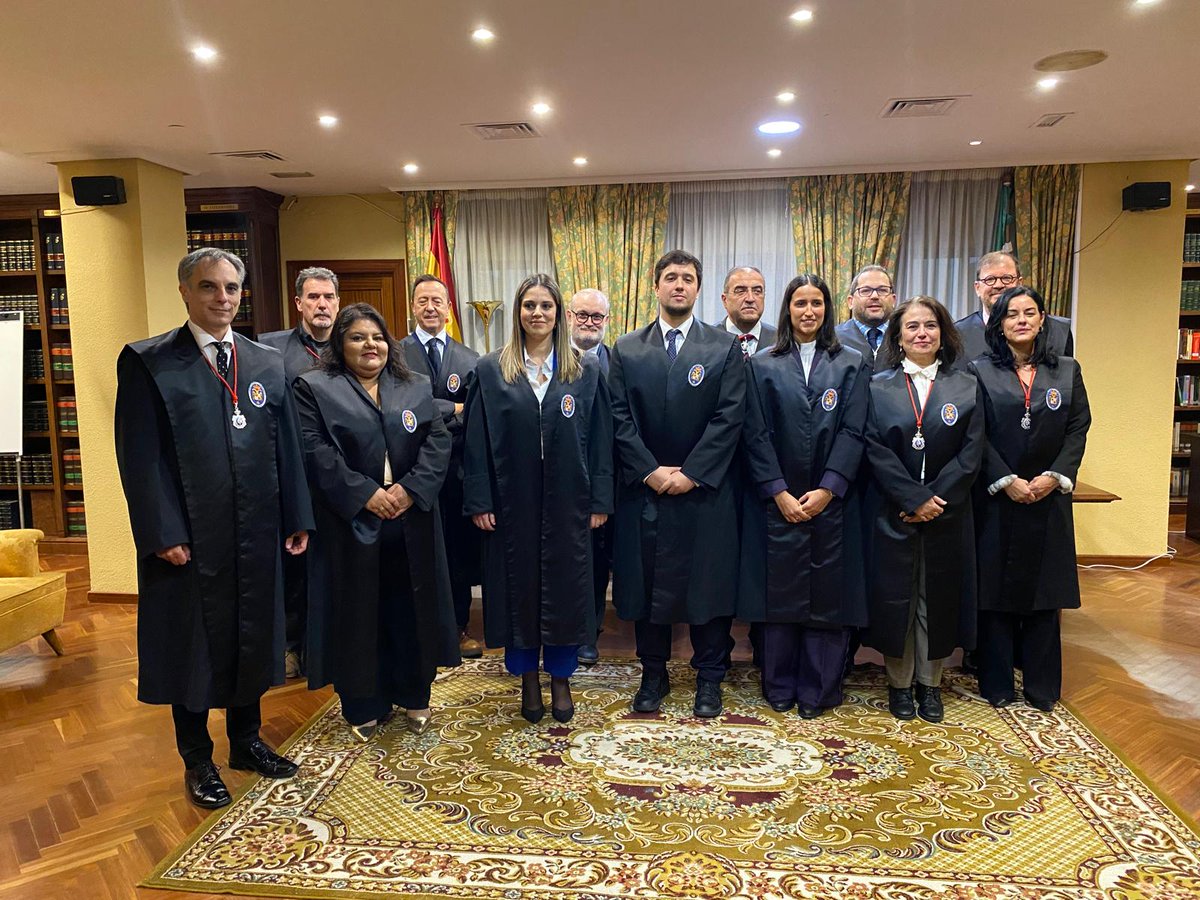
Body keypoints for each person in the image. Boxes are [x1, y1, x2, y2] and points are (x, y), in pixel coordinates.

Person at [114, 247, 314, 809]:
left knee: (252, 635)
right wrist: (161, 533)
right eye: (208, 288)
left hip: (256, 529)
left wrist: (297, 515)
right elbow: (140, 457)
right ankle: (197, 757)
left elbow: (287, 447)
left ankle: (246, 741)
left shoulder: (263, 361)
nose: (221, 299)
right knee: (193, 648)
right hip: (189, 538)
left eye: (230, 288)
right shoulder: (149, 361)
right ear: (185, 292)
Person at [295, 303, 458, 741]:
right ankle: (364, 703)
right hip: (350, 523)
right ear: (339, 344)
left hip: (411, 520)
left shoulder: (415, 386)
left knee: (411, 611)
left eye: (378, 337)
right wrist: (365, 494)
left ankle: (414, 694)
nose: (370, 345)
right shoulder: (313, 388)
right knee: (359, 614)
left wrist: (408, 490)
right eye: (357, 337)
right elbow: (313, 450)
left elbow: (437, 445)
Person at [463, 274, 613, 724]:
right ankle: (527, 678)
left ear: (559, 314)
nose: (537, 314)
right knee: (518, 589)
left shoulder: (585, 370)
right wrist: (480, 499)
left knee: (567, 591)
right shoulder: (492, 369)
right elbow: (475, 441)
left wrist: (599, 500)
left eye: (546, 306)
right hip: (513, 503)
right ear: (518, 312)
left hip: (569, 502)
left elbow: (602, 439)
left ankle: (562, 678)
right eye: (529, 305)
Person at [609, 249, 746, 718]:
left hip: (704, 492)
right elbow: (618, 418)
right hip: (645, 490)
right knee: (648, 590)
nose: (679, 285)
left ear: (699, 287)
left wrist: (692, 473)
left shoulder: (723, 348)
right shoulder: (626, 348)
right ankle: (654, 675)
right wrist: (651, 470)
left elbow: (730, 418)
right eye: (671, 277)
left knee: (708, 588)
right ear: (656, 285)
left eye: (688, 278)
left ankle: (710, 679)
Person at [739, 274, 869, 717]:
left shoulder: (852, 362)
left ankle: (818, 690)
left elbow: (855, 430)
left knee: (827, 599)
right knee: (781, 597)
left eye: (816, 303)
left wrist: (829, 488)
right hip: (778, 502)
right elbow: (753, 434)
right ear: (787, 309)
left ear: (829, 308)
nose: (808, 311)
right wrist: (777, 491)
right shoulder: (762, 364)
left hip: (833, 502)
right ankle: (778, 685)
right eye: (799, 303)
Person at [863, 296, 984, 723]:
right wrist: (911, 498)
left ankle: (929, 685)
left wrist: (935, 501)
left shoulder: (967, 384)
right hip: (894, 511)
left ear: (942, 332)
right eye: (911, 326)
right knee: (899, 598)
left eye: (929, 325)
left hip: (948, 514)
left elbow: (972, 453)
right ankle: (899, 684)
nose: (921, 333)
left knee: (936, 599)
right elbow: (873, 447)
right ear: (898, 336)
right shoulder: (878, 386)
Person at [970, 286, 1091, 711]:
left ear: (1043, 321)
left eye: (1030, 313)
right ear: (999, 324)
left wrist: (1053, 477)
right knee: (996, 593)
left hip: (1049, 496)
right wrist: (1006, 479)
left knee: (1045, 594)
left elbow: (1078, 428)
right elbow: (976, 433)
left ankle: (1042, 688)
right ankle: (997, 684)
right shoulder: (979, 371)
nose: (1021, 320)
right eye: (1012, 314)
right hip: (998, 497)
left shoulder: (1067, 370)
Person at [258, 267, 341, 679]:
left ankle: (329, 646)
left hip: (341, 476)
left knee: (334, 566)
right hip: (293, 476)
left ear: (338, 303)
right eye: (313, 297)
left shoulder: (353, 347)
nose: (321, 304)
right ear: (299, 303)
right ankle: (291, 646)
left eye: (328, 297)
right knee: (294, 564)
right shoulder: (270, 352)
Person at [398, 275, 483, 661]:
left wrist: (433, 412)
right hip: (410, 472)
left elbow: (476, 413)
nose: (430, 307)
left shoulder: (469, 359)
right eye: (423, 300)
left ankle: (461, 627)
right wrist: (452, 408)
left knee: (458, 554)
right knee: (416, 553)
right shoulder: (395, 355)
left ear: (449, 307)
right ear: (412, 306)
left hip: (457, 474)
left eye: (437, 300)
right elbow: (402, 409)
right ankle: (419, 630)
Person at [567, 288, 613, 666]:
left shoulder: (621, 362)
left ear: (606, 322)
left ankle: (589, 633)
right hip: (558, 483)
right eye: (582, 315)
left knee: (597, 562)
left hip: (606, 480)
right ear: (569, 317)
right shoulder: (550, 362)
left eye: (596, 317)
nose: (589, 323)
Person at [955, 251, 1074, 363]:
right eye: (990, 279)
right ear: (977, 288)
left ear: (1020, 283)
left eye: (1007, 278)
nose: (998, 285)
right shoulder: (957, 334)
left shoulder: (1060, 331)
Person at [835, 264, 896, 374]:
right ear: (850, 301)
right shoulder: (833, 339)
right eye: (865, 290)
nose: (874, 296)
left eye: (882, 290)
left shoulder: (905, 337)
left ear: (893, 300)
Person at [721, 266, 777, 357]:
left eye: (757, 291)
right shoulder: (708, 340)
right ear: (725, 300)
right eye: (740, 291)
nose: (750, 299)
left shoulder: (780, 341)